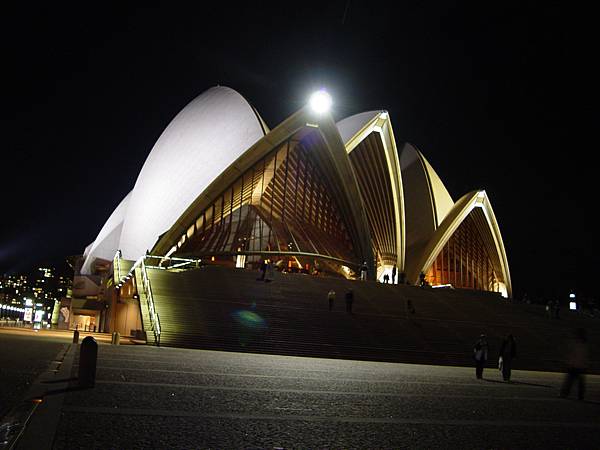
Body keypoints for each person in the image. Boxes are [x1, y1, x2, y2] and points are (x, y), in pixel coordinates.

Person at [560, 328, 589, 400]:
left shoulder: (577, 343)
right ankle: (580, 395)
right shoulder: (583, 344)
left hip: (575, 365)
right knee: (579, 382)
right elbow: (583, 356)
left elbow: (573, 354)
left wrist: (569, 363)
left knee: (570, 381)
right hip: (580, 365)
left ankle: (565, 394)